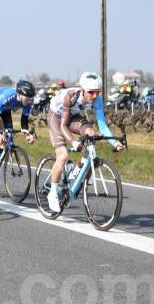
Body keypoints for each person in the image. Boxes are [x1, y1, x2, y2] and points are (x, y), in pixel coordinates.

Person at [45, 72, 124, 213]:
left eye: (97, 92)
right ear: (82, 90)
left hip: (73, 116)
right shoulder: (71, 96)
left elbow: (102, 125)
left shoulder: (98, 100)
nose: (94, 96)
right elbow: (63, 125)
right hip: (56, 118)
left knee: (91, 134)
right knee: (62, 156)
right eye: (91, 92)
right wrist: (74, 142)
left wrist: (115, 143)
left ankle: (75, 174)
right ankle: (53, 192)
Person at [0, 80, 36, 169]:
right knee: (0, 124)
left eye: (31, 99)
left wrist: (27, 134)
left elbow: (24, 119)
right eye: (27, 99)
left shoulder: (28, 103)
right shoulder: (8, 97)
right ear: (19, 95)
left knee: (8, 136)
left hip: (6, 109)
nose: (30, 101)